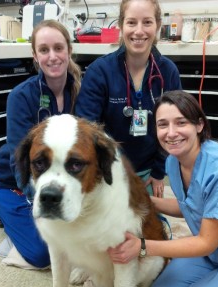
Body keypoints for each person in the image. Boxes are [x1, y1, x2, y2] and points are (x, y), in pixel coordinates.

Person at [107, 90, 218, 287]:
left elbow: (205, 242)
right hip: (213, 254)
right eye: (163, 124)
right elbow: (190, 206)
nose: (171, 133)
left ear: (199, 125)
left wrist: (142, 247)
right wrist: (139, 199)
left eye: (181, 122)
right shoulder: (173, 162)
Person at [0, 19, 81, 269]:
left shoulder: (82, 92)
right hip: (11, 182)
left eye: (59, 48)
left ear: (69, 50)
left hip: (59, 181)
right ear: (35, 56)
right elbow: (19, 161)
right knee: (42, 254)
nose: (53, 57)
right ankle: (6, 213)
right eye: (44, 50)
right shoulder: (21, 96)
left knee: (84, 238)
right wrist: (40, 200)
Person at [75, 0, 182, 197]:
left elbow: (174, 130)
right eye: (132, 22)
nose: (139, 31)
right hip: (107, 171)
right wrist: (103, 172)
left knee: (147, 225)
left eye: (147, 22)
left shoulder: (168, 72)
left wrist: (159, 172)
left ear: (157, 25)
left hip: (150, 172)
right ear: (121, 25)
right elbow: (85, 129)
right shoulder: (100, 71)